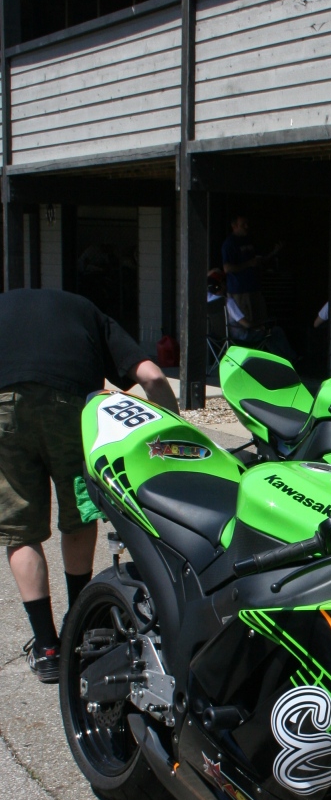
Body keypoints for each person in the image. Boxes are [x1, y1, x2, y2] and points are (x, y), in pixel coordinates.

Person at [0, 288, 178, 683]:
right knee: (78, 512)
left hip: (3, 403)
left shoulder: (6, 308)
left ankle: (46, 648)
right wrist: (174, 435)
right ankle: (80, 626)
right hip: (68, 402)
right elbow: (152, 376)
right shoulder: (89, 311)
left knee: (22, 529)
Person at [221, 214, 282, 328]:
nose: (246, 226)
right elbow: (227, 268)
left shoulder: (249, 240)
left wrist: (273, 253)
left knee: (261, 322)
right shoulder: (230, 243)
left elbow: (257, 261)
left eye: (247, 223)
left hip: (255, 288)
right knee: (246, 324)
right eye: (243, 224)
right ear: (234, 226)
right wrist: (248, 264)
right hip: (240, 291)